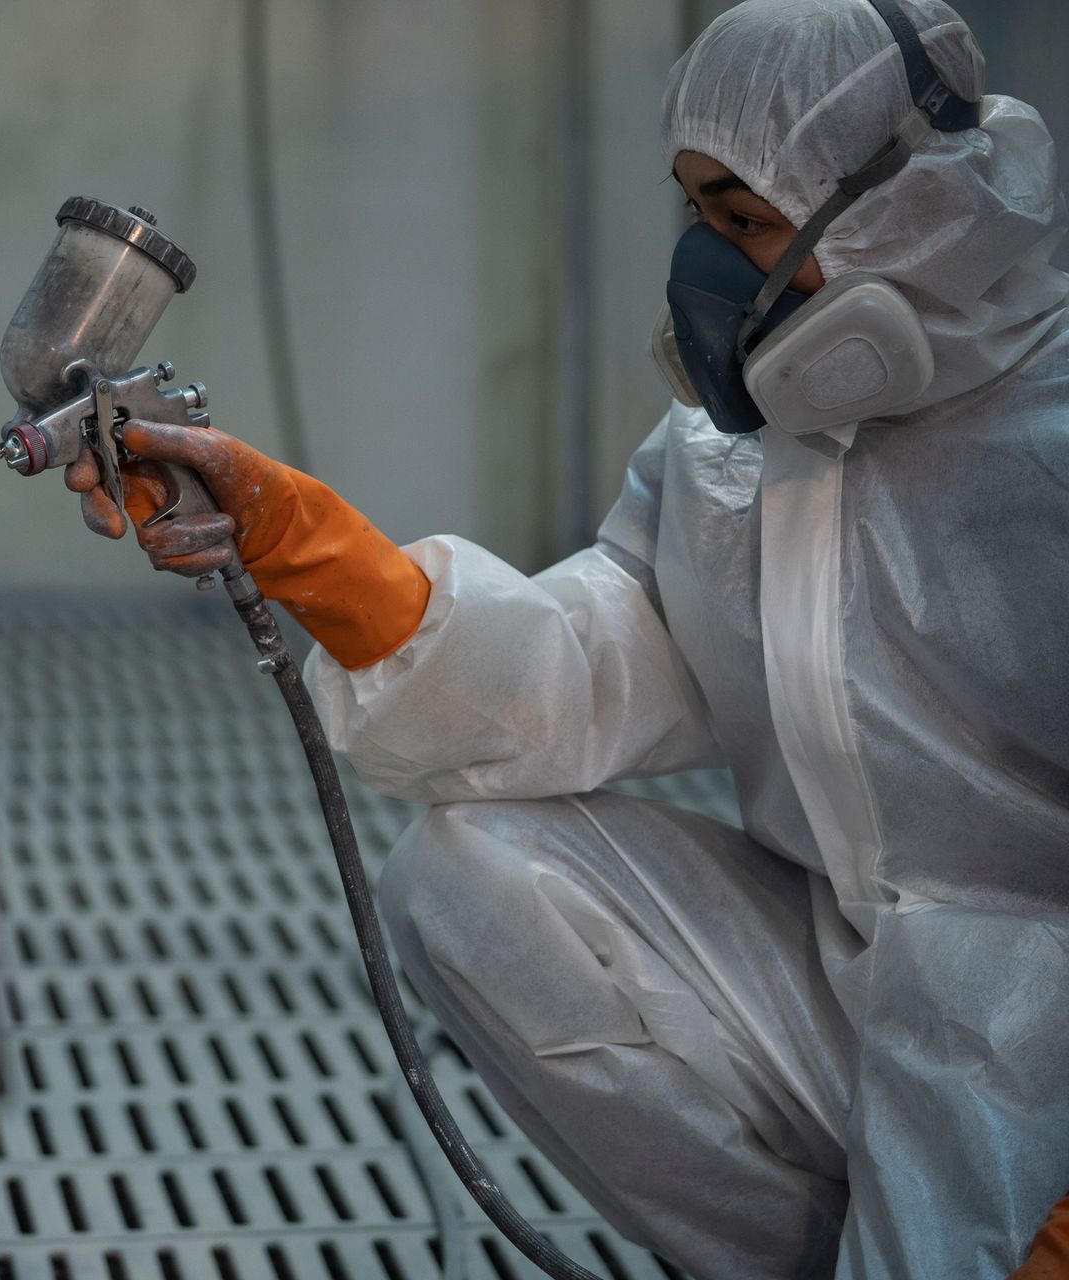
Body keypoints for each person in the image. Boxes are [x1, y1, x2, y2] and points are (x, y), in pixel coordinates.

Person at [65, 0, 1069, 1275]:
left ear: (907, 210)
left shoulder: (1048, 444)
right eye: (695, 211)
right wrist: (310, 547)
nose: (709, 265)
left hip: (1042, 1053)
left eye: (747, 222)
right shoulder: (743, 448)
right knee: (471, 882)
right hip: (853, 983)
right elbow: (611, 650)